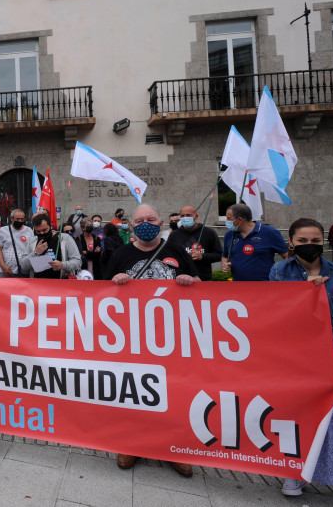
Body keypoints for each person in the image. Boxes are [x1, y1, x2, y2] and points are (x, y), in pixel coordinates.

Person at [270, 218, 333, 506]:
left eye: (315, 241)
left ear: (324, 242)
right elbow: (274, 316)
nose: (309, 246)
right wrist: (303, 295)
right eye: (302, 241)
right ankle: (296, 471)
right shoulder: (279, 272)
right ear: (291, 242)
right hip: (299, 365)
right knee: (299, 420)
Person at [107, 204, 199, 477]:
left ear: (160, 222)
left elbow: (199, 282)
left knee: (173, 392)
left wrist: (189, 279)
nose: (144, 223)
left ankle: (173, 448)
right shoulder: (121, 253)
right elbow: (100, 292)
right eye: (139, 220)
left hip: (172, 337)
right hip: (132, 337)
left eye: (150, 219)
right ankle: (132, 444)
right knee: (133, 390)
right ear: (131, 225)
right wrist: (115, 281)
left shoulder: (176, 251)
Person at [221, 203, 288, 281]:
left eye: (229, 218)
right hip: (238, 286)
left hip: (265, 286)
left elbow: (287, 256)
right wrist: (224, 264)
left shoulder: (270, 232)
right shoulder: (229, 235)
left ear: (239, 219)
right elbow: (225, 256)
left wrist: (282, 275)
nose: (226, 221)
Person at [168, 205, 223, 281]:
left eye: (188, 215)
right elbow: (168, 256)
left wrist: (202, 256)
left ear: (196, 217)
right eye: (182, 216)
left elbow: (219, 255)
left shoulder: (209, 233)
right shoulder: (174, 235)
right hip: (180, 279)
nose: (185, 217)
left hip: (203, 279)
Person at [23, 213, 81, 278]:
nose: (42, 233)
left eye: (44, 230)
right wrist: (35, 253)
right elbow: (23, 265)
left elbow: (78, 262)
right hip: (38, 284)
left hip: (60, 284)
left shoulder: (65, 239)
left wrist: (62, 265)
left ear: (50, 226)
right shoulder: (32, 241)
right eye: (38, 231)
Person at [0, 209, 33, 278]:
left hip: (23, 271)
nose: (20, 221)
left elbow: (32, 249)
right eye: (17, 219)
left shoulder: (29, 230)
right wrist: (3, 266)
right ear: (11, 219)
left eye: (22, 219)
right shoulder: (3, 230)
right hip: (6, 270)